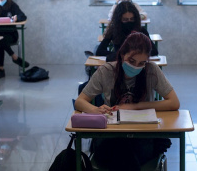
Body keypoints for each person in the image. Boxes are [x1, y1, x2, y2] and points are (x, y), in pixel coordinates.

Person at [75, 32, 180, 170]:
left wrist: (136, 106)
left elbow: (174, 102)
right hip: (110, 137)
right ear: (122, 54)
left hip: (141, 138)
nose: (136, 66)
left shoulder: (151, 71)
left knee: (124, 153)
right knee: (121, 149)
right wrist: (96, 110)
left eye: (141, 63)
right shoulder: (106, 71)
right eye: (131, 61)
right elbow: (80, 101)